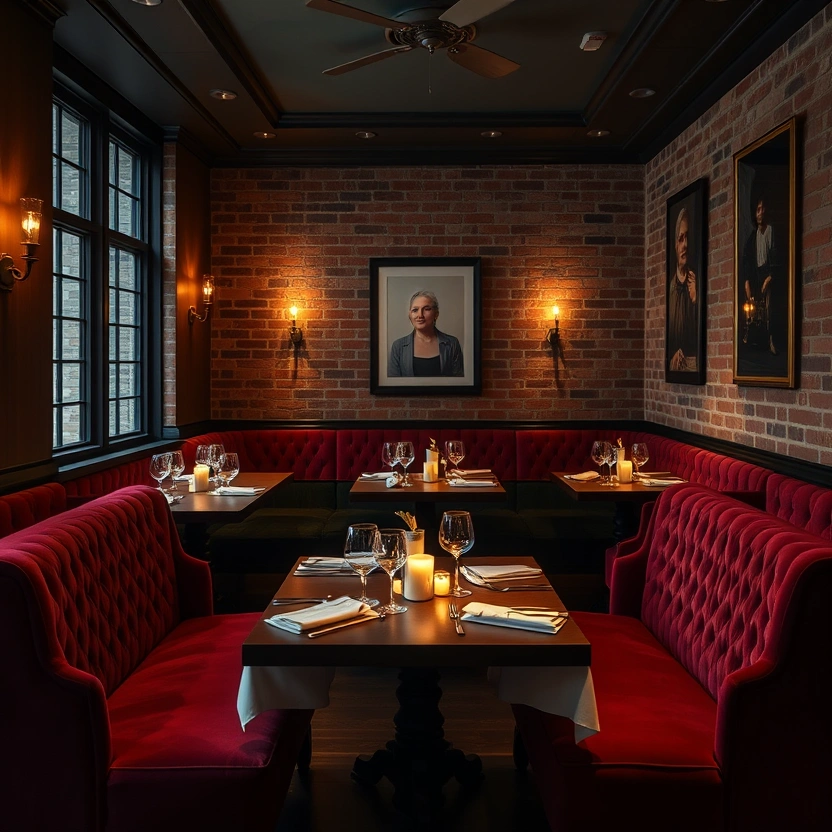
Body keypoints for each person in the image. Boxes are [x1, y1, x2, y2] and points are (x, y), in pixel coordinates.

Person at [388, 290, 464, 377]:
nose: (420, 315)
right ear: (410, 315)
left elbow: (459, 384)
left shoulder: (452, 343)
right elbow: (394, 385)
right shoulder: (398, 347)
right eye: (415, 310)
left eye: (426, 309)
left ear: (436, 314)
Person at [742, 193, 781, 355]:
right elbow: (747, 265)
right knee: (753, 308)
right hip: (757, 275)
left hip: (770, 274)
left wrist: (769, 278)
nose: (761, 212)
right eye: (758, 209)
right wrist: (749, 285)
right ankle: (752, 338)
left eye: (763, 208)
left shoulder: (772, 232)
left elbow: (777, 258)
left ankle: (772, 339)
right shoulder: (752, 238)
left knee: (769, 307)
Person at [667, 207, 698, 373]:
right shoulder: (670, 288)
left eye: (687, 238)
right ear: (674, 244)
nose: (685, 245)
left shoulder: (695, 282)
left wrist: (695, 300)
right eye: (680, 239)